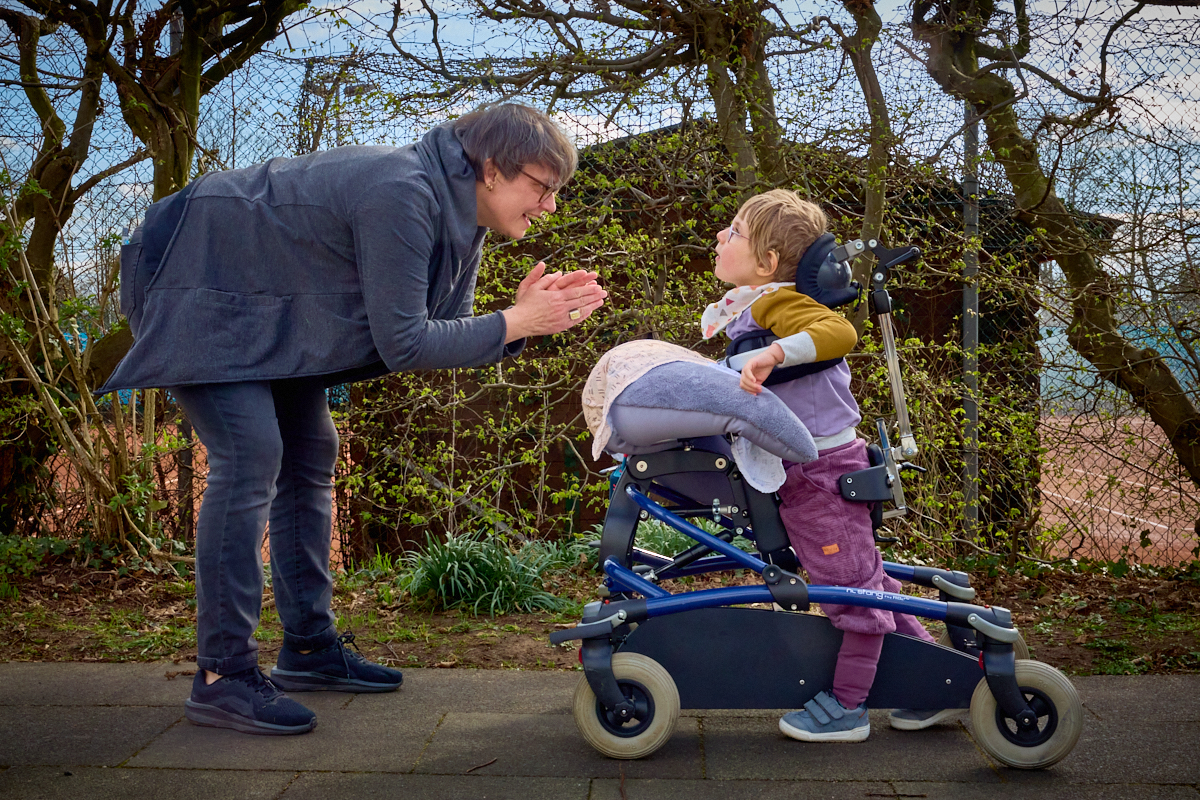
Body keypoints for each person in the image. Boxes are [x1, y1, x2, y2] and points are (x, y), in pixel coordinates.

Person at [100, 103, 607, 735]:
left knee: (310, 452)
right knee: (251, 453)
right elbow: (407, 343)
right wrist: (515, 321)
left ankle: (309, 648)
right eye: (543, 186)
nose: (551, 205)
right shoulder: (403, 192)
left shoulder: (459, 216)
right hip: (192, 274)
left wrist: (523, 318)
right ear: (492, 170)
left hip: (268, 303)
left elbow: (444, 330)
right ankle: (221, 676)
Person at [702, 189, 945, 743]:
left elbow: (840, 333)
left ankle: (848, 708)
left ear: (768, 262)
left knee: (851, 592)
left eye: (734, 231)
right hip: (813, 469)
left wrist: (773, 353)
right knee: (866, 580)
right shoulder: (755, 304)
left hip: (823, 474)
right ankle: (934, 679)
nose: (721, 235)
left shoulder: (778, 302)